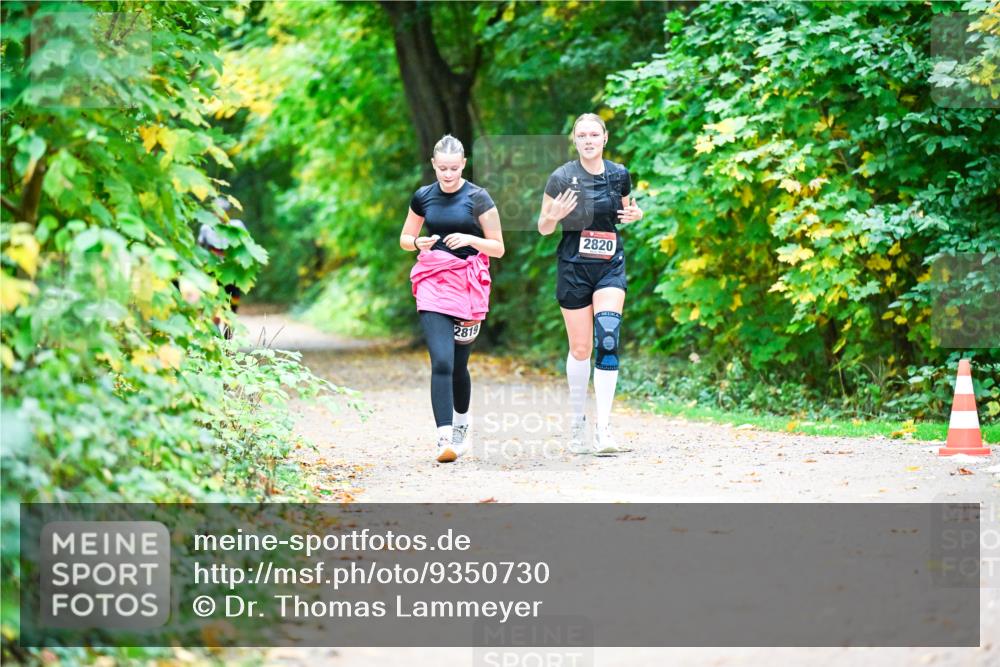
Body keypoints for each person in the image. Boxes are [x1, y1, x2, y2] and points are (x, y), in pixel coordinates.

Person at [537, 113, 643, 455]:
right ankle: (577, 420)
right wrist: (553, 216)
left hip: (609, 265)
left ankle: (604, 428)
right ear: (574, 139)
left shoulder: (619, 175)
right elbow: (542, 227)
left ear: (604, 138)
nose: (588, 140)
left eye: (593, 134)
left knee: (608, 336)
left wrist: (634, 215)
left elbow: (625, 212)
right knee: (581, 349)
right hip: (574, 268)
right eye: (581, 135)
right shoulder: (561, 178)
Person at [400, 135, 505, 463]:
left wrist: (471, 238)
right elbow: (405, 238)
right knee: (441, 361)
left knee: (459, 365)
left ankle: (461, 425)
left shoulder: (478, 198)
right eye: (442, 168)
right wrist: (419, 244)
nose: (447, 174)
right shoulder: (423, 197)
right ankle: (443, 438)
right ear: (433, 165)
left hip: (468, 285)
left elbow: (498, 247)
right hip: (432, 281)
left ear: (463, 165)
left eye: (454, 168)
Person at [198, 197, 249, 339]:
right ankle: (214, 340)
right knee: (214, 307)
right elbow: (200, 250)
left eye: (223, 211)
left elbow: (246, 246)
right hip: (213, 272)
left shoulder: (237, 226)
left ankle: (228, 341)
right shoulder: (206, 228)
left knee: (231, 307)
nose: (219, 214)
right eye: (216, 211)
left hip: (232, 272)